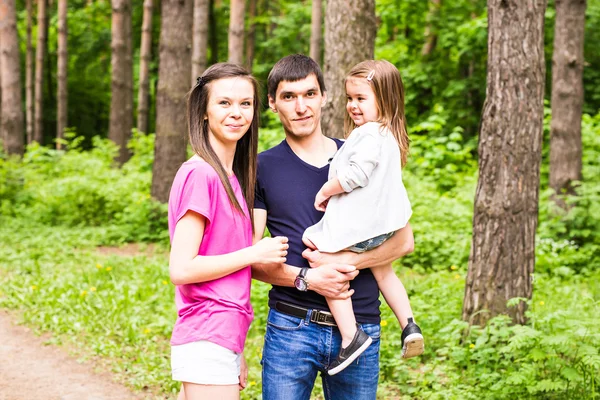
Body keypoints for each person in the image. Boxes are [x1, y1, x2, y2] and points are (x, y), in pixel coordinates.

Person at [252, 54, 415, 400]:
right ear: (272, 103)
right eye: (288, 97)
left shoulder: (360, 156)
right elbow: (250, 259)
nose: (301, 107)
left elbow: (403, 241)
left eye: (310, 94)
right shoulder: (259, 168)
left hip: (363, 323)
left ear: (324, 96)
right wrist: (309, 277)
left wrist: (340, 262)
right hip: (291, 326)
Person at [167, 63, 289, 400]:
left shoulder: (232, 179)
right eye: (224, 103)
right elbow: (182, 268)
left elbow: (228, 275)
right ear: (204, 111)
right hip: (206, 334)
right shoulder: (201, 174)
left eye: (245, 103)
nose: (236, 113)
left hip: (222, 337)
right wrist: (254, 252)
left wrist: (236, 350)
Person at [302, 59, 424, 376]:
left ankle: (350, 334)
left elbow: (355, 175)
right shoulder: (389, 136)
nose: (353, 106)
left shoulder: (368, 134)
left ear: (384, 101)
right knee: (384, 273)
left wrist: (326, 191)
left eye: (361, 99)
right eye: (350, 98)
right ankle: (409, 324)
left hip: (364, 228)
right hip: (384, 226)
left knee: (319, 255)